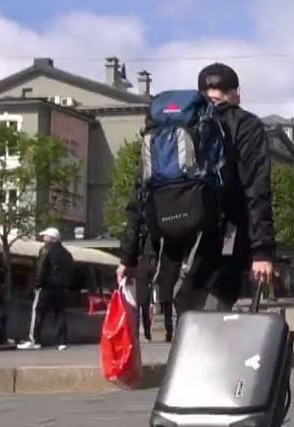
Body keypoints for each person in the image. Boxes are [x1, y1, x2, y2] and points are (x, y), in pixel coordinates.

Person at [118, 62, 276, 313]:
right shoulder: (245, 125)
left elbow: (140, 192)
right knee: (209, 324)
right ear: (236, 94)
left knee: (183, 322)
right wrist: (262, 252)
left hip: (171, 247)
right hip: (222, 247)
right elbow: (257, 190)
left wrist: (128, 256)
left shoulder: (170, 128)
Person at [19, 228, 74, 350]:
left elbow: (41, 268)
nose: (44, 238)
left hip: (47, 286)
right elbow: (71, 272)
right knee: (60, 314)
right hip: (62, 288)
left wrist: (37, 284)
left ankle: (34, 340)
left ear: (51, 238)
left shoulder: (45, 250)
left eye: (45, 236)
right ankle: (62, 342)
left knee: (38, 312)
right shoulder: (67, 253)